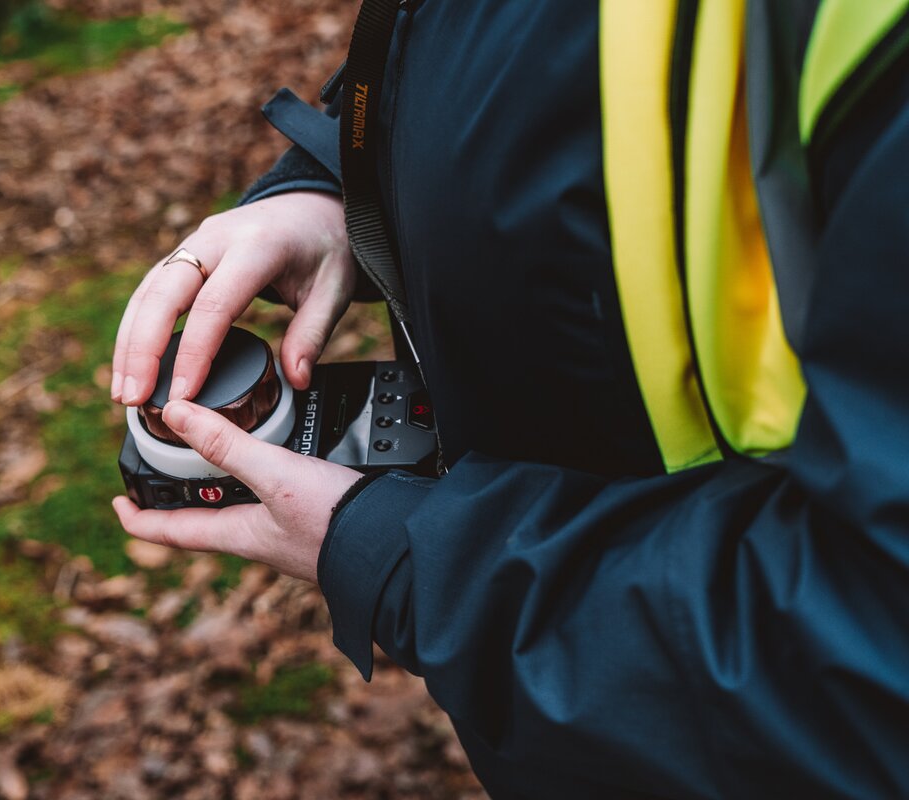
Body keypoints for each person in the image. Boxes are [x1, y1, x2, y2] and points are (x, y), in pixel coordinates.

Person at [111, 1, 909, 796]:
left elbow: (876, 659)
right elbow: (471, 49)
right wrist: (330, 191)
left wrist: (415, 564)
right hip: (553, 710)